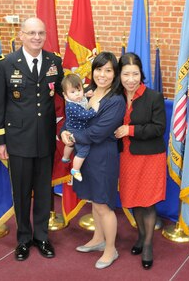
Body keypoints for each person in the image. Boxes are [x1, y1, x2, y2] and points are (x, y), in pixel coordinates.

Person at [0, 17, 64, 261]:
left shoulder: (54, 61)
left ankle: (41, 236)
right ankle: (23, 238)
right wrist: (0, 141)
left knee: (43, 191)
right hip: (17, 140)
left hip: (44, 139)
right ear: (21, 35)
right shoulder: (6, 63)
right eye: (31, 33)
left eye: (41, 33)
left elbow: (61, 94)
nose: (36, 37)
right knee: (21, 192)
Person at [61, 52, 126, 269]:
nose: (102, 74)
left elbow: (99, 132)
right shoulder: (87, 91)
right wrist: (63, 133)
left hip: (103, 156)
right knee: (93, 201)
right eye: (99, 69)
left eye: (108, 70)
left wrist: (73, 137)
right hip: (85, 154)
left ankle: (111, 249)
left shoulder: (116, 100)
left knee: (103, 204)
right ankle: (98, 240)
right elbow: (72, 118)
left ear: (115, 74)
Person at [114, 52, 167, 270]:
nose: (130, 79)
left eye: (135, 74)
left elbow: (159, 128)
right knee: (134, 199)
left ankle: (147, 245)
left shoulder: (154, 97)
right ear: (120, 75)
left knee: (148, 202)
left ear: (141, 74)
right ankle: (139, 236)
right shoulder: (115, 96)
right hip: (126, 156)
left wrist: (130, 129)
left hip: (150, 157)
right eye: (126, 74)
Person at [61, 73, 97, 182]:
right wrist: (94, 110)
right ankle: (75, 169)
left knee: (70, 144)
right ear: (65, 95)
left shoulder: (77, 99)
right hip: (76, 129)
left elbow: (82, 98)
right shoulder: (72, 106)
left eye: (79, 90)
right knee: (83, 149)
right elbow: (84, 115)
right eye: (73, 92)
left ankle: (65, 157)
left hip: (72, 127)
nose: (77, 94)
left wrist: (86, 94)